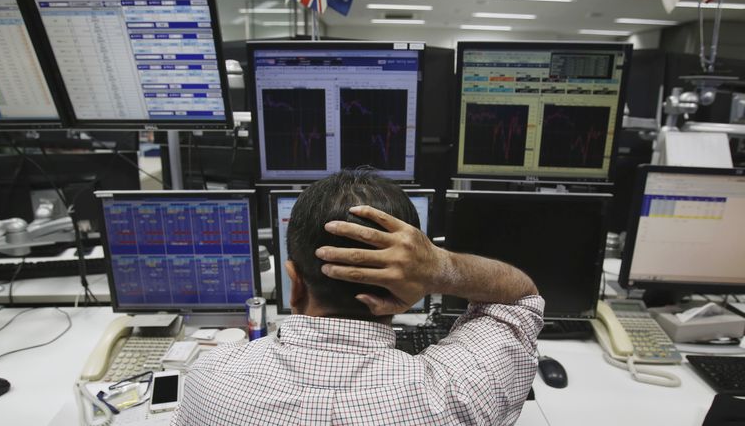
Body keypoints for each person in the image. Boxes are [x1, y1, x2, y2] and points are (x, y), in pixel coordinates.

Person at [172, 170, 544, 426]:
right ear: (407, 286)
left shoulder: (209, 377)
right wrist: (439, 268)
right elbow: (521, 296)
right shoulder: (459, 396)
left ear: (294, 282)